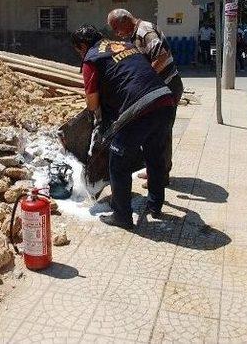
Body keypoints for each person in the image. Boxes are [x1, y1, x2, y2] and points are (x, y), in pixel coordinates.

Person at [72, 24, 175, 229]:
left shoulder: (92, 58)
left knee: (118, 163)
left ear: (83, 46)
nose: (80, 54)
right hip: (165, 101)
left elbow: (92, 104)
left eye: (78, 51)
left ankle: (122, 216)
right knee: (154, 156)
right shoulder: (124, 45)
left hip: (139, 109)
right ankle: (155, 206)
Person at [107, 9, 183, 186]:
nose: (117, 33)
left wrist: (146, 80)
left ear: (126, 20)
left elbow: (162, 55)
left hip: (167, 86)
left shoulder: (144, 31)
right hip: (157, 87)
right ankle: (154, 170)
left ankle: (161, 176)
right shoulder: (134, 34)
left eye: (117, 28)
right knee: (153, 132)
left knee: (161, 132)